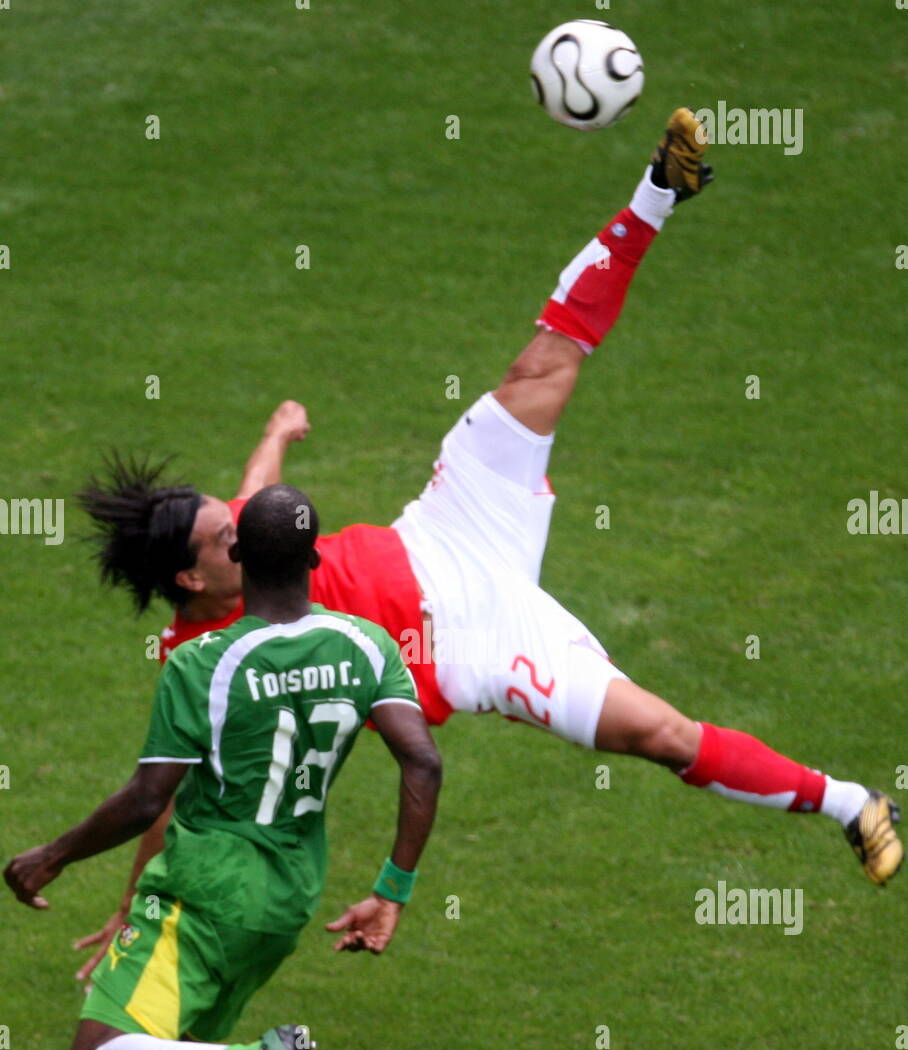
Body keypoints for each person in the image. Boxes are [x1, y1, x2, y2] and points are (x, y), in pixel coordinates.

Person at [74, 106, 901, 989]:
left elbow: (249, 487)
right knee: (662, 735)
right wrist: (135, 904)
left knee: (543, 365)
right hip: (472, 651)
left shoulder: (238, 537)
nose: (250, 520)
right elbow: (160, 802)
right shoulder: (206, 665)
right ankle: (854, 804)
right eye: (226, 533)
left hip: (449, 522)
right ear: (193, 577)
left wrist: (280, 429)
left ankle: (659, 189)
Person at [4, 484, 443, 1050]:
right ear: (315, 560)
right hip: (287, 899)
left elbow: (147, 799)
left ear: (238, 556)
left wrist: (52, 855)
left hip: (204, 888)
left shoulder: (205, 664)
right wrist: (392, 890)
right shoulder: (369, 645)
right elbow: (424, 759)